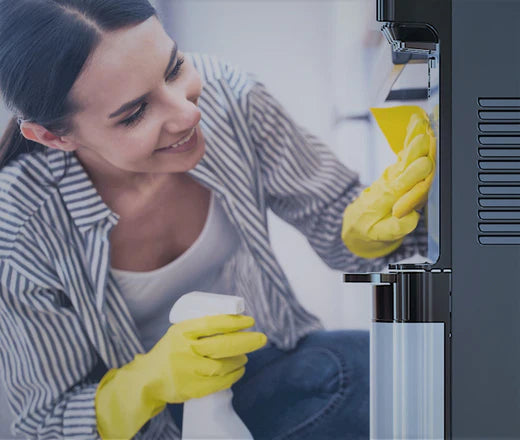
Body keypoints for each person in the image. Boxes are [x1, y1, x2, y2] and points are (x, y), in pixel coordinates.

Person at [0, 0, 433, 439]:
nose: (188, 113)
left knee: (387, 372)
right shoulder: (17, 226)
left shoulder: (230, 94)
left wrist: (363, 234)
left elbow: (336, 220)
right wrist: (141, 386)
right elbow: (42, 426)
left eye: (173, 68)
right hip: (144, 431)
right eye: (134, 113)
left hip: (272, 376)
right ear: (53, 136)